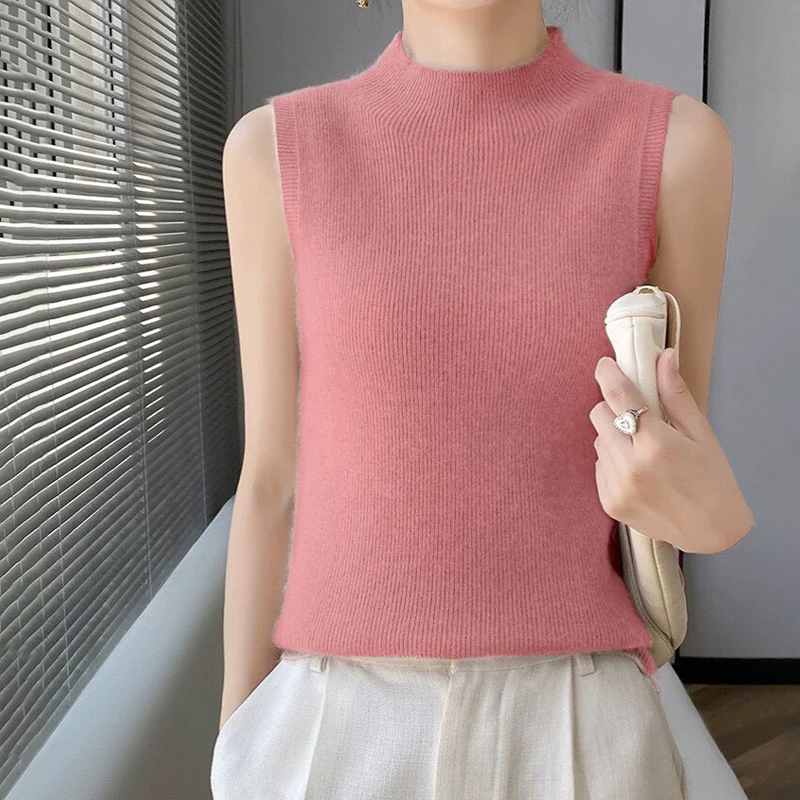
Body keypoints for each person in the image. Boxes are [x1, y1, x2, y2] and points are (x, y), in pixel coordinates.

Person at [211, 2, 754, 798]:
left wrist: (719, 521)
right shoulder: (274, 151)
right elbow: (269, 480)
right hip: (337, 716)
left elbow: (671, 471)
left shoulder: (676, 145)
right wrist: (235, 743)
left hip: (580, 717)